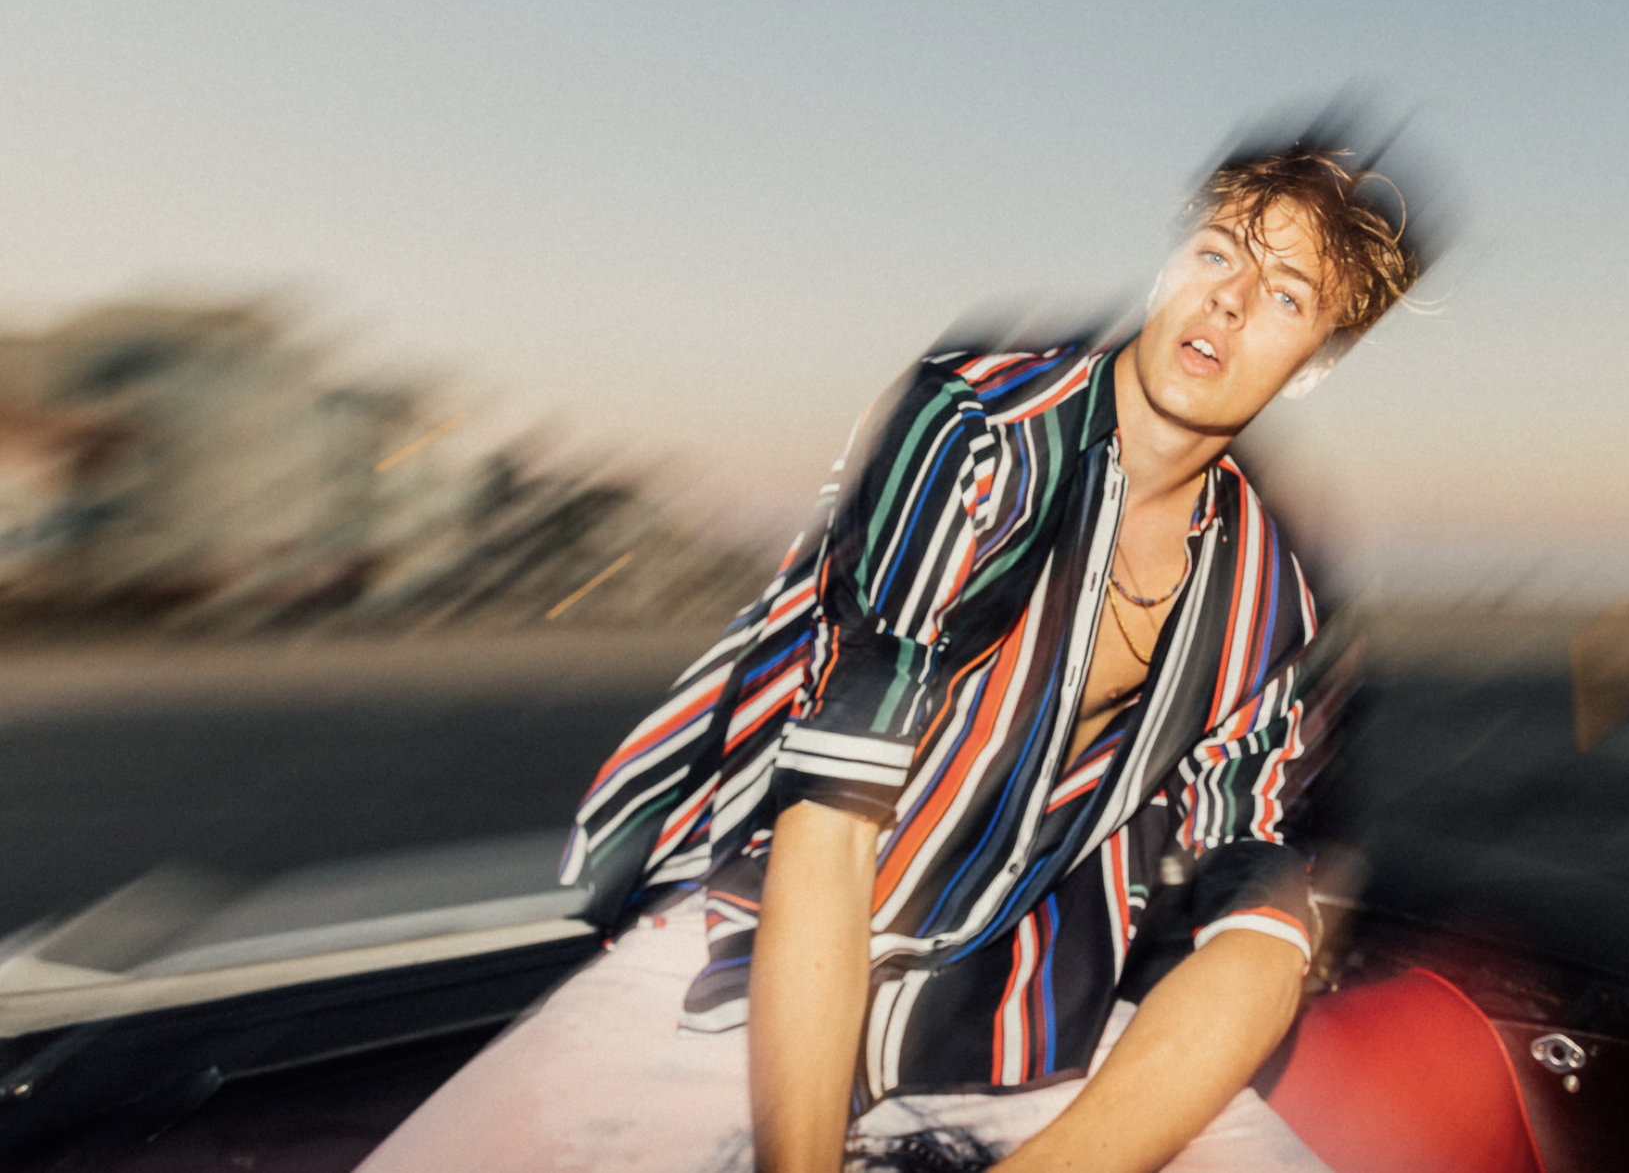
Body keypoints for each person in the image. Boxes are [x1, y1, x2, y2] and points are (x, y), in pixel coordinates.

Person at [358, 132, 1429, 1173]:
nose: (1229, 300)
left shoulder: (1272, 594)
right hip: (753, 955)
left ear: (1314, 364)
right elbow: (828, 823)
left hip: (1022, 1010)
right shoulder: (982, 433)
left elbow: (1255, 930)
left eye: (1286, 297)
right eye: (1216, 254)